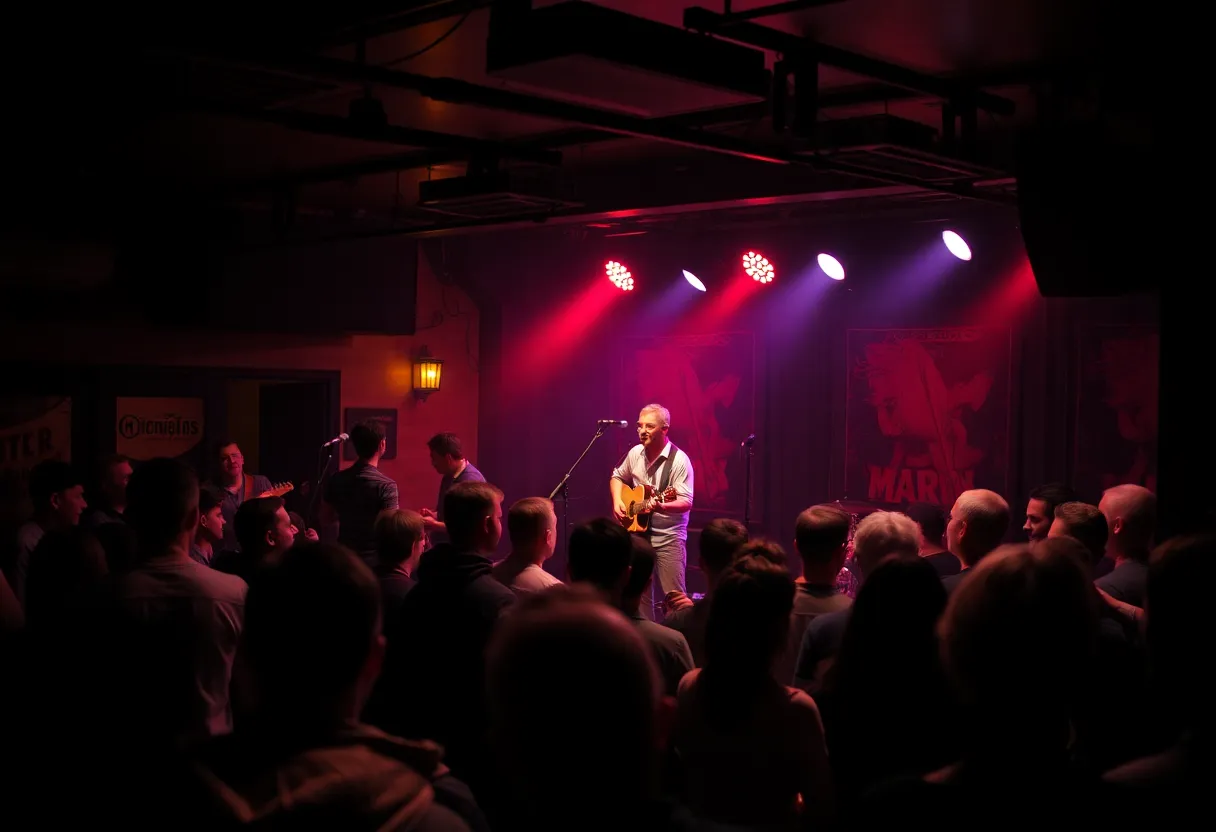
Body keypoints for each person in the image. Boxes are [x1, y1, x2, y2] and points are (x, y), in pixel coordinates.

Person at [610, 403, 695, 618]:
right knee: (640, 597)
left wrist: (661, 505)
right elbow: (617, 476)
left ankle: (675, 643)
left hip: (669, 538)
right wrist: (618, 501)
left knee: (673, 599)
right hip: (639, 536)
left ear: (664, 429)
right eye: (639, 426)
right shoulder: (635, 453)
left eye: (649, 426)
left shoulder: (679, 461)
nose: (642, 431)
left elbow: (686, 501)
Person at [322, 419, 399, 565]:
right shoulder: (386, 485)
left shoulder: (337, 479)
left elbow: (325, 518)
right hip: (374, 561)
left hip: (344, 558)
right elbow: (389, 529)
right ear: (382, 444)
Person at [422, 433, 484, 544]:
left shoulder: (471, 482)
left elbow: (468, 527)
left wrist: (434, 525)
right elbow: (454, 515)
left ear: (448, 458)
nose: (433, 463)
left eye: (434, 458)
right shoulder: (448, 476)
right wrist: (435, 515)